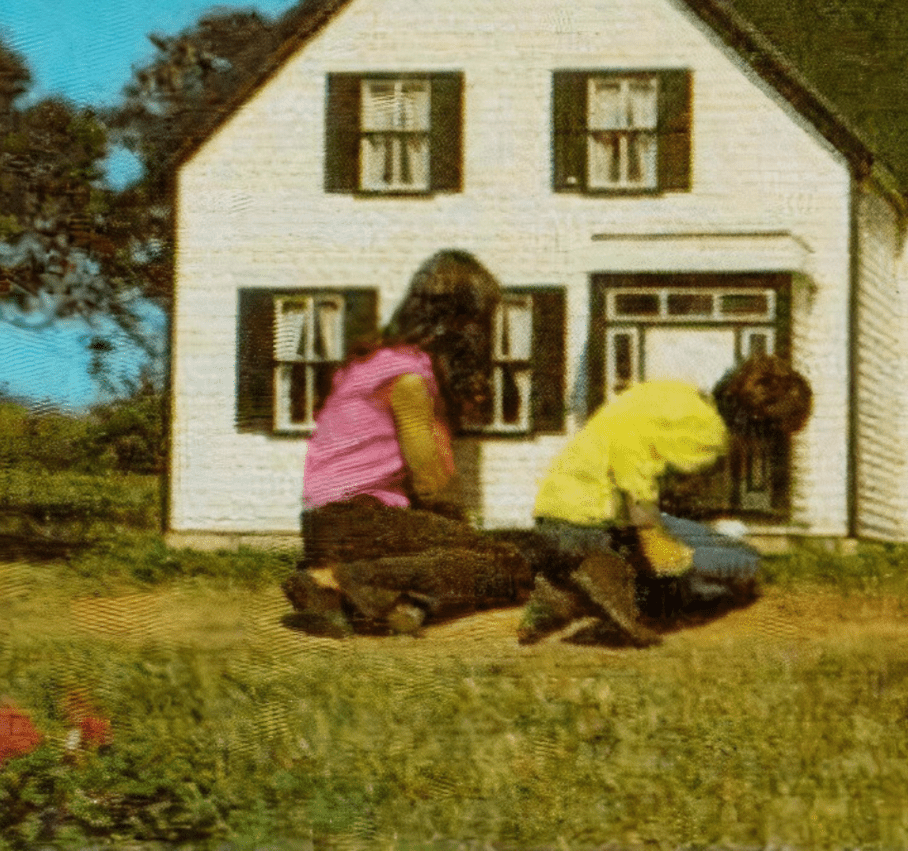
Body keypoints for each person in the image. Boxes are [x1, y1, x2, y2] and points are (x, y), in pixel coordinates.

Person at [283, 250, 533, 636]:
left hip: (325, 524)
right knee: (507, 562)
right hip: (360, 519)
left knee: (461, 550)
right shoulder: (409, 379)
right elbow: (431, 483)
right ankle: (340, 581)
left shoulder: (374, 361)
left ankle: (374, 597)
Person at [517, 355, 813, 648]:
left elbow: (626, 442)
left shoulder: (678, 394)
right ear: (760, 428)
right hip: (598, 525)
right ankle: (623, 595)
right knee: (741, 564)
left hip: (553, 519)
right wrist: (648, 530)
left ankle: (571, 591)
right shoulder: (709, 436)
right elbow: (631, 454)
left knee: (729, 552)